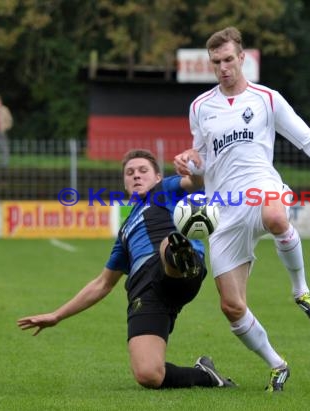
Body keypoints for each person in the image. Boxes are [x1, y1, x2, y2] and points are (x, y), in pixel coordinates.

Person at [174, 27, 310, 392]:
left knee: (277, 215)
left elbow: (307, 140)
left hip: (261, 186)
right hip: (223, 210)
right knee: (231, 307)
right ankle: (277, 365)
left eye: (228, 60)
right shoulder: (200, 107)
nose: (223, 68)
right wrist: (189, 162)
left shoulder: (267, 99)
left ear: (242, 57)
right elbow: (202, 160)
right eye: (216, 62)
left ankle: (301, 291)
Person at [18, 149, 235, 390]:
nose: (136, 176)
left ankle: (179, 257)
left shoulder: (163, 191)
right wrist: (57, 315)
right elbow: (103, 284)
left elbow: (194, 182)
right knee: (149, 375)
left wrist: (194, 169)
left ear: (157, 177)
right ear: (124, 181)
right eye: (130, 173)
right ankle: (206, 375)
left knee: (169, 243)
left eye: (143, 171)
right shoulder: (124, 232)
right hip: (144, 291)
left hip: (177, 271)